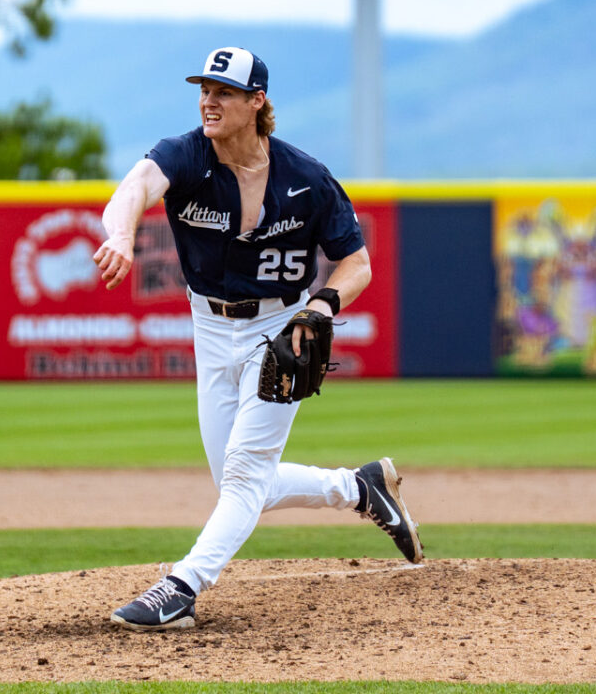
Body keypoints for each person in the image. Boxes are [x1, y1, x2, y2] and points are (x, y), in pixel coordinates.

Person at [92, 45, 423, 631]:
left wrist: (321, 306)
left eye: (223, 91)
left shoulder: (305, 178)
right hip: (210, 326)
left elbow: (358, 263)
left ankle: (182, 587)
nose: (208, 100)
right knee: (236, 481)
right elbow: (134, 188)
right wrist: (119, 235)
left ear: (257, 102)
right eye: (205, 89)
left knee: (245, 475)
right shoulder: (187, 156)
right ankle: (359, 487)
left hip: (283, 327)